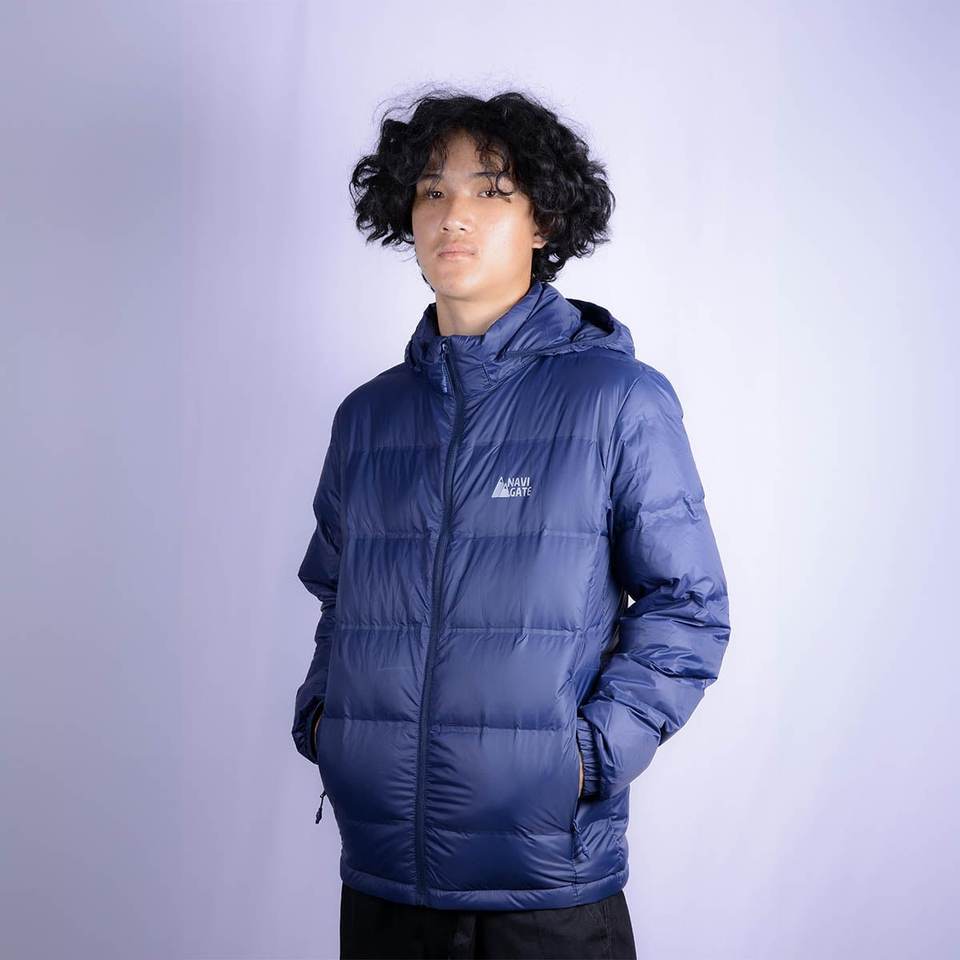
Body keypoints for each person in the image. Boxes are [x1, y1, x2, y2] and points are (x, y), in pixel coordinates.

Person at [292, 88, 731, 960]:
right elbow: (337, 592)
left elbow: (688, 607)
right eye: (432, 190)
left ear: (543, 222)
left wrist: (588, 758)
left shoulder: (618, 400)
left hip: (546, 889)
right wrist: (325, 724)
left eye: (491, 191)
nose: (453, 214)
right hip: (382, 881)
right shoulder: (368, 417)